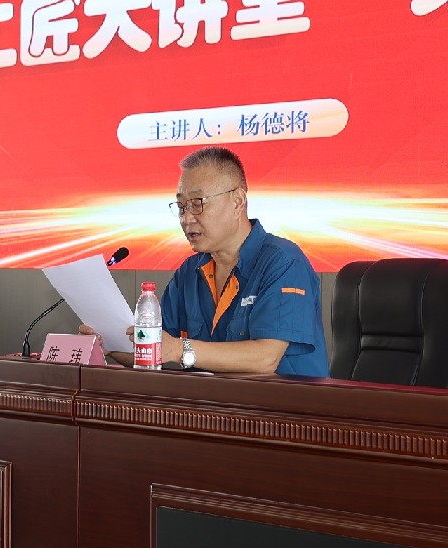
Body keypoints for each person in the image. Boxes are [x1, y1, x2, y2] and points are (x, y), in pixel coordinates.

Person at [94, 146, 328, 376]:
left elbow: (265, 358)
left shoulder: (283, 262)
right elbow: (156, 349)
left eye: (198, 203)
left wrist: (180, 349)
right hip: (210, 400)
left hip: (281, 401)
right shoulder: (189, 272)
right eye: (181, 206)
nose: (186, 218)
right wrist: (109, 345)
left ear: (237, 201)